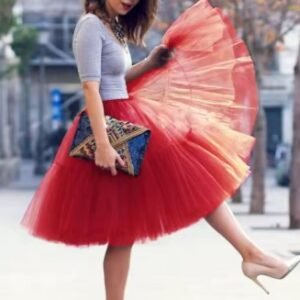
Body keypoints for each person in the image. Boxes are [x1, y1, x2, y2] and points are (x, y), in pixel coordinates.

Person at [20, 0, 300, 298]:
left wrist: (149, 64)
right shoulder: (89, 25)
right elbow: (90, 88)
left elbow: (113, 81)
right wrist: (102, 144)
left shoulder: (111, 26)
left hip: (122, 119)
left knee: (124, 231)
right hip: (112, 128)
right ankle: (252, 254)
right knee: (192, 177)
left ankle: (251, 254)